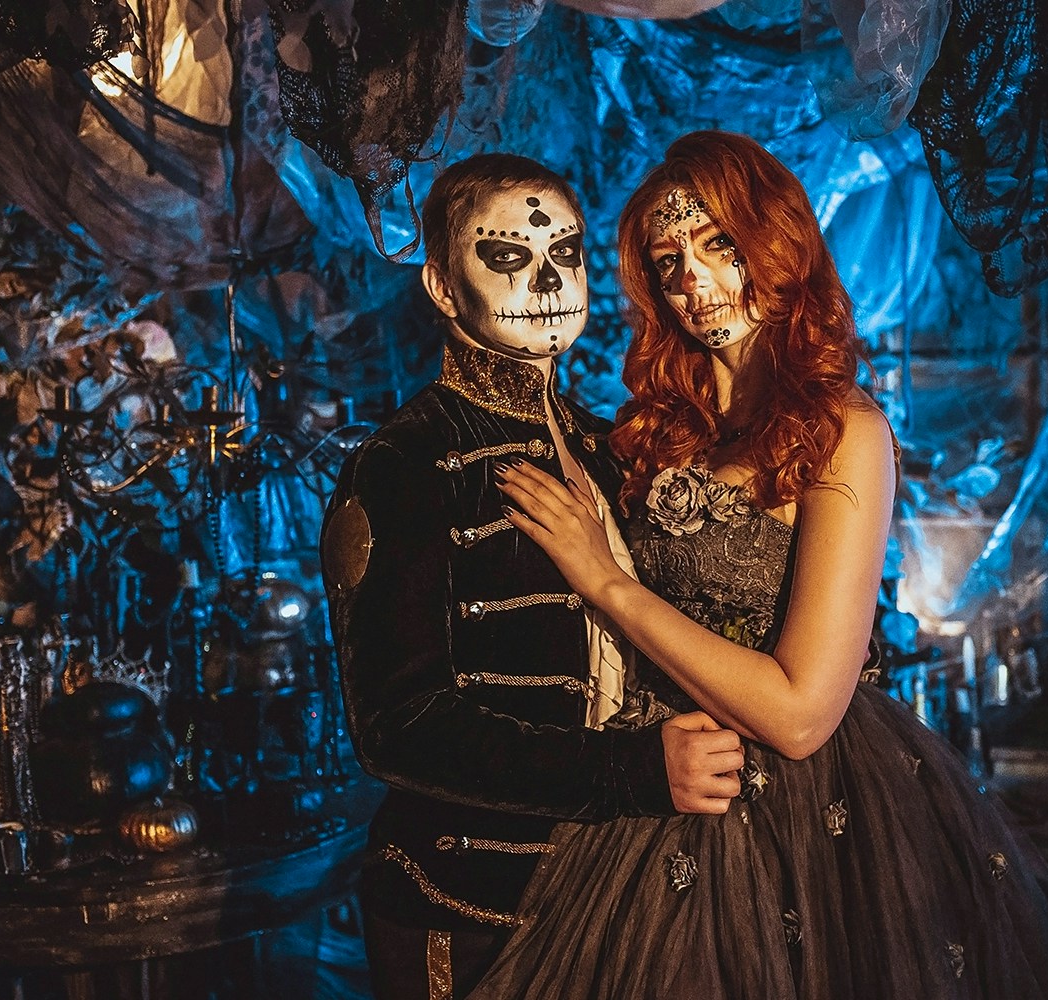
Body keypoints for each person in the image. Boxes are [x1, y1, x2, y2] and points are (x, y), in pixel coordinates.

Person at [474, 131, 1048, 998]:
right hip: (661, 784)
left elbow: (803, 713)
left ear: (776, 245)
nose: (692, 279)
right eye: (668, 260)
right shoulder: (664, 431)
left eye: (719, 245)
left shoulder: (845, 433)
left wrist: (606, 582)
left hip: (810, 818)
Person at [320, 153, 746, 1000]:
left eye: (566, 255)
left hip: (620, 884)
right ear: (444, 288)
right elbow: (396, 728)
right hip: (466, 902)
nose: (548, 281)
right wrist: (632, 774)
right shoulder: (403, 464)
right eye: (507, 257)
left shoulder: (610, 446)